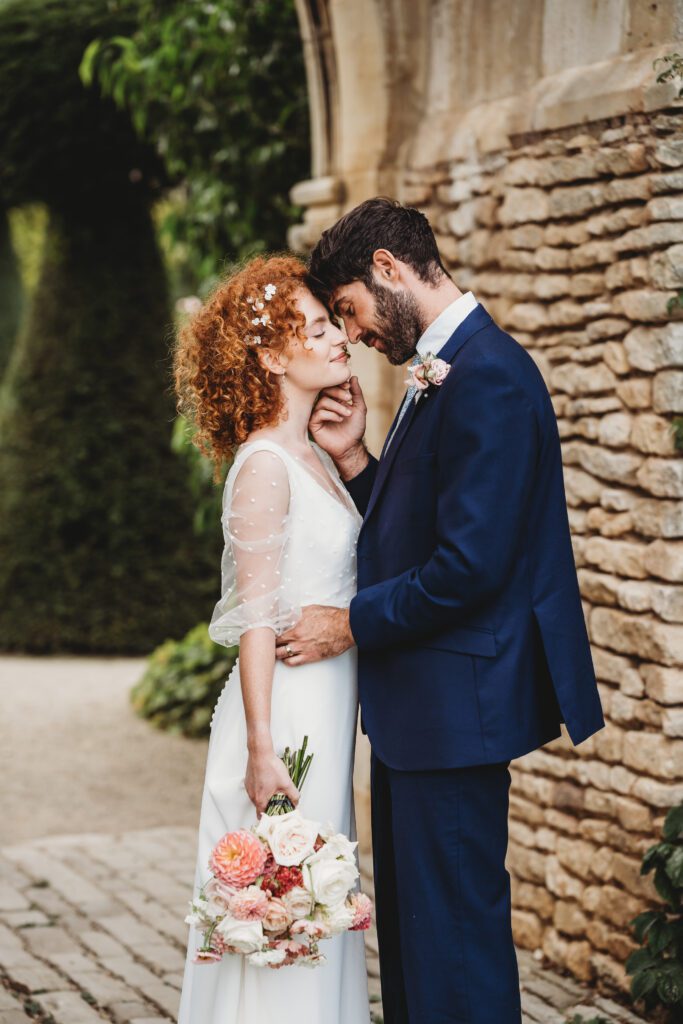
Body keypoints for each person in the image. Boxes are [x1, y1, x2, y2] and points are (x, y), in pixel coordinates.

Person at [275, 198, 605, 1024]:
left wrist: (349, 623)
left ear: (388, 269)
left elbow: (469, 568)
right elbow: (421, 530)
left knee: (455, 954)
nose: (352, 335)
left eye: (347, 310)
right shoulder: (445, 367)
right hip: (424, 714)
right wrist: (355, 460)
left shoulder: (488, 373)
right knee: (423, 949)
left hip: (457, 713)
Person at [174, 255, 370, 1024]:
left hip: (325, 710)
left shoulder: (314, 454)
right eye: (316, 328)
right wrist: (260, 748)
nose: (336, 339)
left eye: (332, 324)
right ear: (269, 355)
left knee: (317, 912)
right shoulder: (262, 464)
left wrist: (351, 447)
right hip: (285, 721)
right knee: (284, 914)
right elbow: (256, 618)